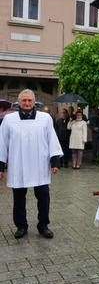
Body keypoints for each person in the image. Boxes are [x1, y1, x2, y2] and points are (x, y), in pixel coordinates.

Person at [0, 89, 62, 239]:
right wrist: (0, 166)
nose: (27, 103)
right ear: (18, 102)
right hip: (18, 165)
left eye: (30, 100)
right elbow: (1, 143)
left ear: (34, 102)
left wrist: (55, 161)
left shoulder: (45, 118)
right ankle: (21, 226)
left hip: (39, 164)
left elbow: (51, 140)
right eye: (24, 100)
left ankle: (43, 225)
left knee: (43, 196)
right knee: (19, 197)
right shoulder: (9, 120)